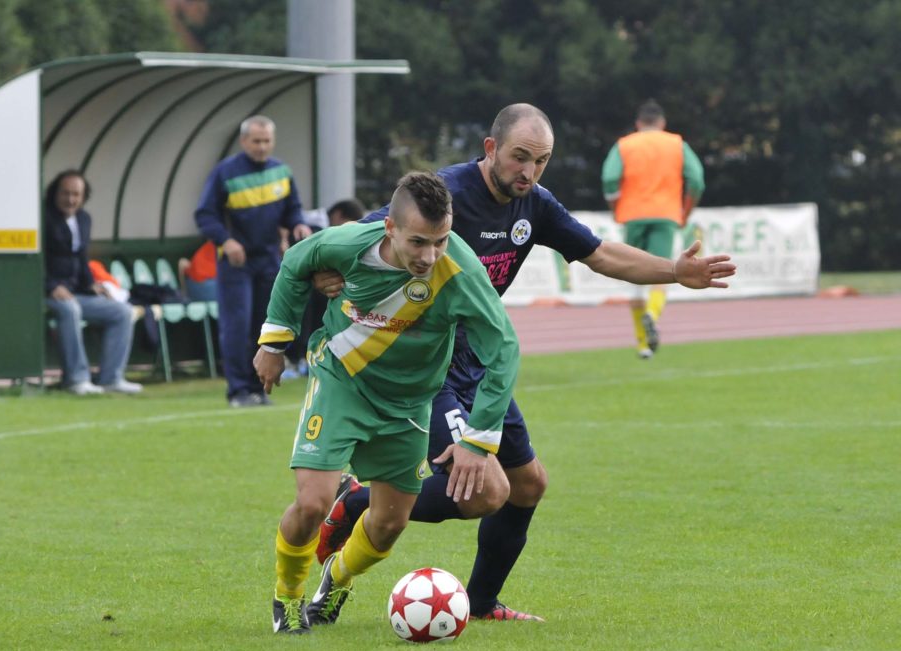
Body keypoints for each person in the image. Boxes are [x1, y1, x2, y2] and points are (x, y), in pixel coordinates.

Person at [312, 103, 735, 621]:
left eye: (541, 161)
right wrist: (326, 271)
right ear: (490, 149)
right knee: (483, 493)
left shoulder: (535, 204)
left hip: (481, 367)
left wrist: (673, 271)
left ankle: (481, 603)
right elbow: (362, 236)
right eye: (520, 157)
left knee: (528, 485)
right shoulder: (446, 194)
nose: (529, 171)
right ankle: (357, 502)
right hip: (428, 368)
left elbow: (601, 254)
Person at [255, 172, 520, 634]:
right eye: (418, 242)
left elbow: (504, 348)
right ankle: (289, 597)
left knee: (389, 524)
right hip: (343, 379)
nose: (429, 256)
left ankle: (336, 580)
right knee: (313, 503)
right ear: (390, 228)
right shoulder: (348, 244)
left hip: (411, 403)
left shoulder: (460, 271)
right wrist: (274, 343)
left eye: (440, 241)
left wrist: (478, 442)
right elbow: (296, 260)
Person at [194, 115, 313, 407]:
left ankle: (258, 389)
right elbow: (205, 214)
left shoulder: (281, 171)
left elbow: (292, 209)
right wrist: (226, 241)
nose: (262, 147)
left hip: (269, 260)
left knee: (265, 326)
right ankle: (238, 391)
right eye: (256, 141)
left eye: (267, 141)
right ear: (243, 141)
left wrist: (298, 224)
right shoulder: (226, 172)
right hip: (236, 263)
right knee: (237, 326)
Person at [601, 99, 706, 359]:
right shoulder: (676, 144)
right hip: (666, 215)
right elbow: (696, 180)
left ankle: (642, 344)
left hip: (632, 215)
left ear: (638, 124)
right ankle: (652, 313)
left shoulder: (624, 145)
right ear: (662, 123)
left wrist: (616, 207)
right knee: (664, 271)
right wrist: (685, 212)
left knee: (632, 271)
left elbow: (609, 178)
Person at [43, 170, 143, 395]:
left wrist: (91, 285)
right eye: (65, 193)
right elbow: (35, 260)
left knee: (123, 312)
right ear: (55, 194)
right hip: (48, 293)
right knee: (70, 309)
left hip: (76, 292)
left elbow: (81, 258)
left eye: (76, 194)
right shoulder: (43, 218)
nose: (71, 199)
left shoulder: (83, 219)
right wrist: (51, 286)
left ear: (83, 197)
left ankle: (111, 378)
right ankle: (76, 380)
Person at [283, 197, 368, 379]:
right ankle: (296, 357)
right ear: (338, 216)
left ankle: (306, 356)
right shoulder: (315, 229)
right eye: (349, 224)